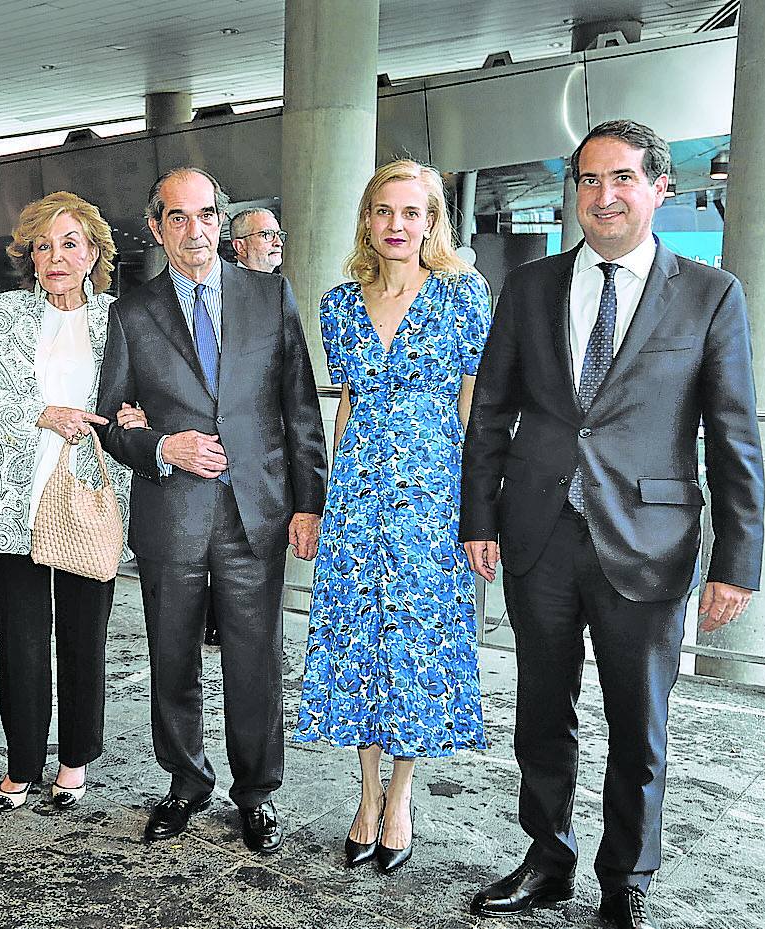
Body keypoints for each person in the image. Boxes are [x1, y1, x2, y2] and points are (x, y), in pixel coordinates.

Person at [461, 120, 764, 929]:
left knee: (640, 721)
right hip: (539, 533)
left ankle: (626, 871)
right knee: (540, 711)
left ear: (660, 187)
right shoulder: (530, 288)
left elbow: (735, 436)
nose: (604, 196)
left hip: (650, 542)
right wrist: (477, 516)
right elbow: (490, 413)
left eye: (623, 179)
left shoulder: (710, 294)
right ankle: (547, 856)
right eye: (590, 180)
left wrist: (737, 559)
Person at [96, 167, 326, 854]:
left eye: (205, 215)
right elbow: (112, 419)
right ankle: (186, 781)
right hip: (173, 514)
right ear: (158, 226)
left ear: (221, 222)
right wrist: (164, 442)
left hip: (257, 512)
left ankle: (256, 792)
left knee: (257, 661)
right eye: (178, 218)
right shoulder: (131, 313)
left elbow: (300, 408)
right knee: (172, 658)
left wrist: (309, 502)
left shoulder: (270, 294)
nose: (194, 231)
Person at [294, 159, 491, 873]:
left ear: (433, 221)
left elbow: (475, 407)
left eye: (412, 212)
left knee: (413, 647)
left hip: (431, 500)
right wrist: (322, 501)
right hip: (357, 498)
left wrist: (480, 509)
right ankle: (367, 792)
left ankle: (401, 797)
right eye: (384, 211)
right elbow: (344, 406)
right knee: (357, 645)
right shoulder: (341, 304)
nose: (397, 225)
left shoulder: (463, 296)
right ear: (367, 221)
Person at [0, 191, 144, 814]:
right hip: (15, 501)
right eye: (42, 246)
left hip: (91, 499)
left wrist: (136, 417)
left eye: (69, 243)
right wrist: (44, 414)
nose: (55, 256)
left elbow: (143, 401)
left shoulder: (119, 319)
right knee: (19, 639)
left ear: (94, 252)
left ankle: (74, 760)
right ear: (30, 258)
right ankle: (20, 762)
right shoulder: (6, 314)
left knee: (83, 636)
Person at [230, 208, 285, 274]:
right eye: (267, 234)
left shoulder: (280, 282)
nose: (279, 243)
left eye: (279, 234)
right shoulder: (225, 282)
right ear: (240, 247)